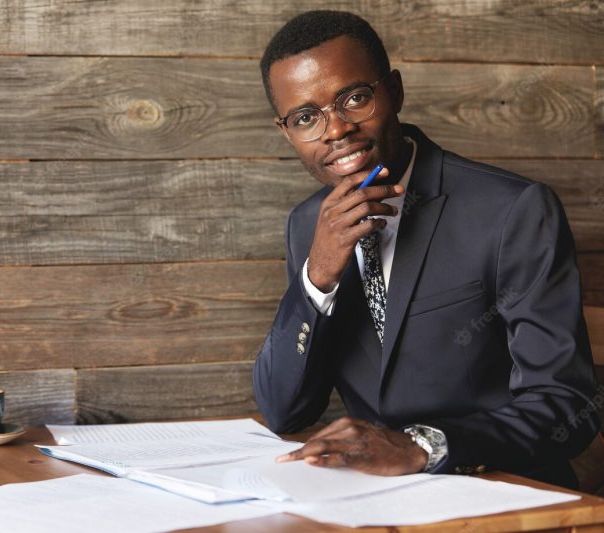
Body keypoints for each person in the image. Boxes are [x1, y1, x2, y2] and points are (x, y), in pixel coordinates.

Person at [252, 10, 600, 489]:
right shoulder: (308, 226)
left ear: (394, 90)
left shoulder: (512, 211)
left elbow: (568, 403)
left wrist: (422, 446)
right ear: (286, 131)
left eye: (354, 98)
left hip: (502, 492)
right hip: (369, 502)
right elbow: (283, 409)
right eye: (307, 117)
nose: (335, 130)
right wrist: (317, 277)